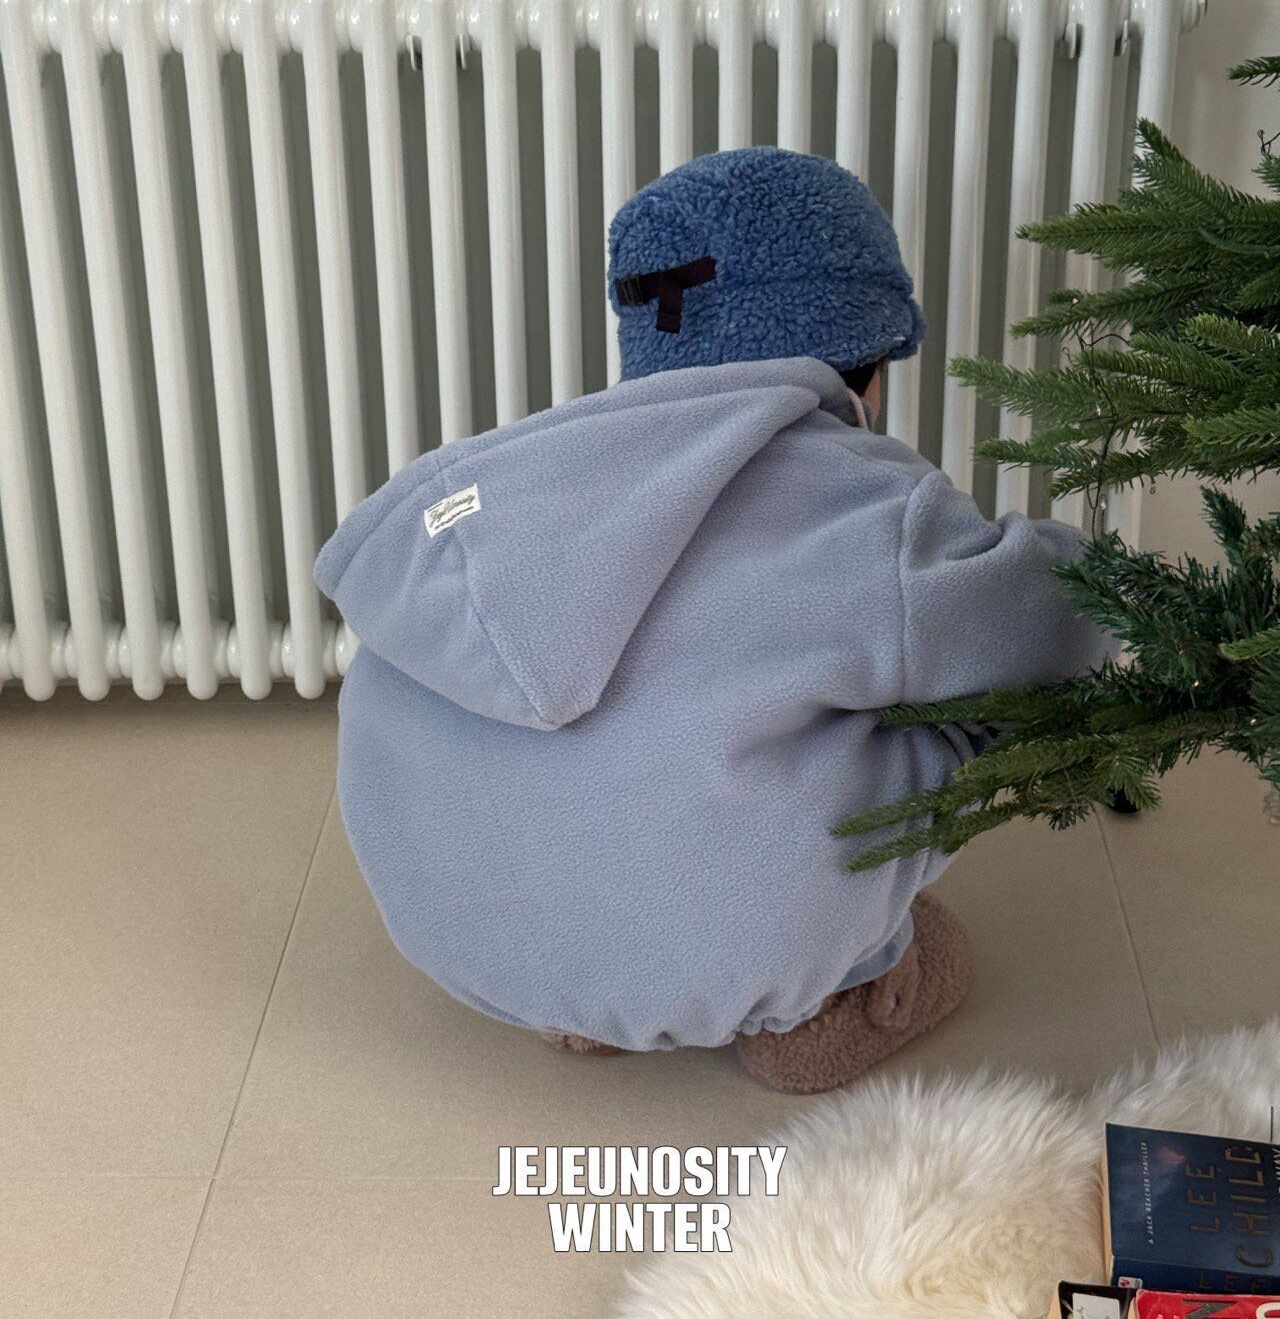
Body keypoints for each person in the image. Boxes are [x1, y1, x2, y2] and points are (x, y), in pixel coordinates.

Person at [317, 147, 1107, 1093]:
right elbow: (1055, 629)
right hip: (738, 944)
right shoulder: (865, 502)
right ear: (862, 359)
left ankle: (585, 1001)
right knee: (961, 692)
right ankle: (843, 992)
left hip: (456, 933)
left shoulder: (525, 481)